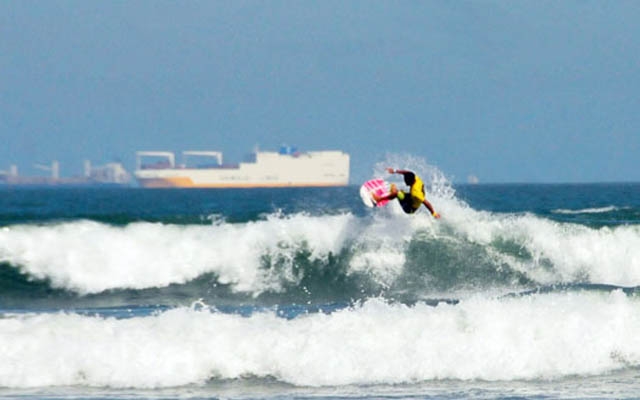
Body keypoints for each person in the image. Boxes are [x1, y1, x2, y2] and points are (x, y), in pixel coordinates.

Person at [372, 167, 440, 218]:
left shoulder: (415, 192)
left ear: (410, 181)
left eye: (406, 181)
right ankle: (391, 194)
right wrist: (395, 171)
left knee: (396, 193)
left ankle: (378, 199)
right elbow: (407, 173)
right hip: (410, 198)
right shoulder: (415, 178)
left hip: (409, 208)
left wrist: (433, 213)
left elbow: (426, 203)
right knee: (393, 186)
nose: (405, 182)